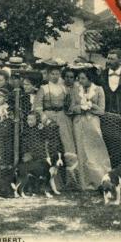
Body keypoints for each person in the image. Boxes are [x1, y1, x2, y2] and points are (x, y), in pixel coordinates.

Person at [33, 59, 78, 188]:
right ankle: (52, 182)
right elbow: (37, 106)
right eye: (52, 74)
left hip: (63, 117)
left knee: (67, 145)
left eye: (57, 73)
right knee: (51, 146)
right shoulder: (43, 88)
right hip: (49, 116)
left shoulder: (64, 88)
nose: (55, 76)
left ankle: (71, 181)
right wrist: (43, 117)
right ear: (48, 74)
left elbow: (70, 103)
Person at [69, 68, 111, 190]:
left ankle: (101, 181)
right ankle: (84, 183)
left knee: (96, 151)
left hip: (92, 122)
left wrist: (91, 106)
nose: (80, 81)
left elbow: (102, 110)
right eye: (79, 78)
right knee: (81, 151)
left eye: (83, 78)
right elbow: (71, 108)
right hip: (78, 123)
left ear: (90, 79)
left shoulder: (99, 90)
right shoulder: (75, 90)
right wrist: (81, 108)